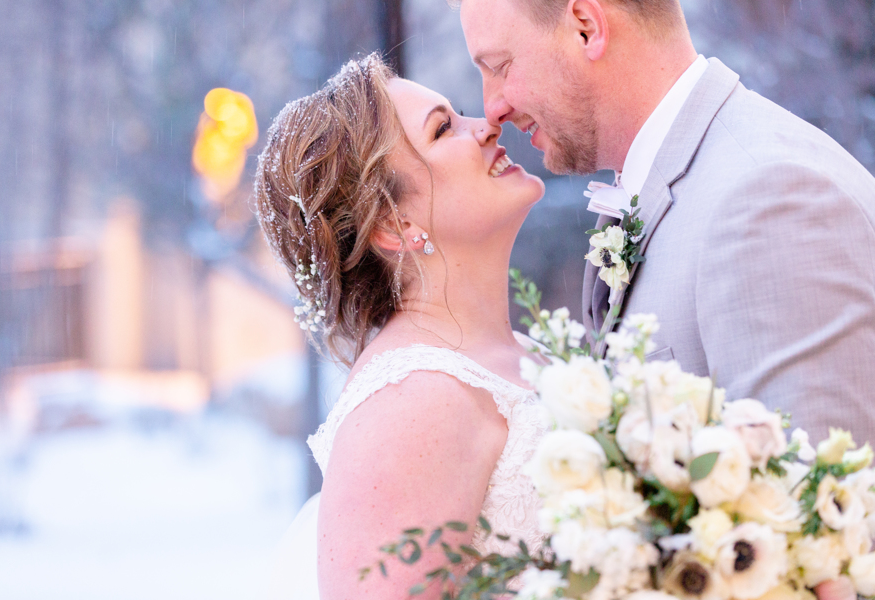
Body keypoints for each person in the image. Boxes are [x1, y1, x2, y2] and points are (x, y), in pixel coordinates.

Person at [458, 0, 875, 444]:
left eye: (500, 66)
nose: (491, 109)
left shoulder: (767, 197)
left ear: (586, 27)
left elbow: (818, 492)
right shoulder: (672, 188)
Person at [256, 55, 548, 599]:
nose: (486, 124)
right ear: (396, 225)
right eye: (444, 129)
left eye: (457, 114)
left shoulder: (527, 352)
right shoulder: (413, 400)